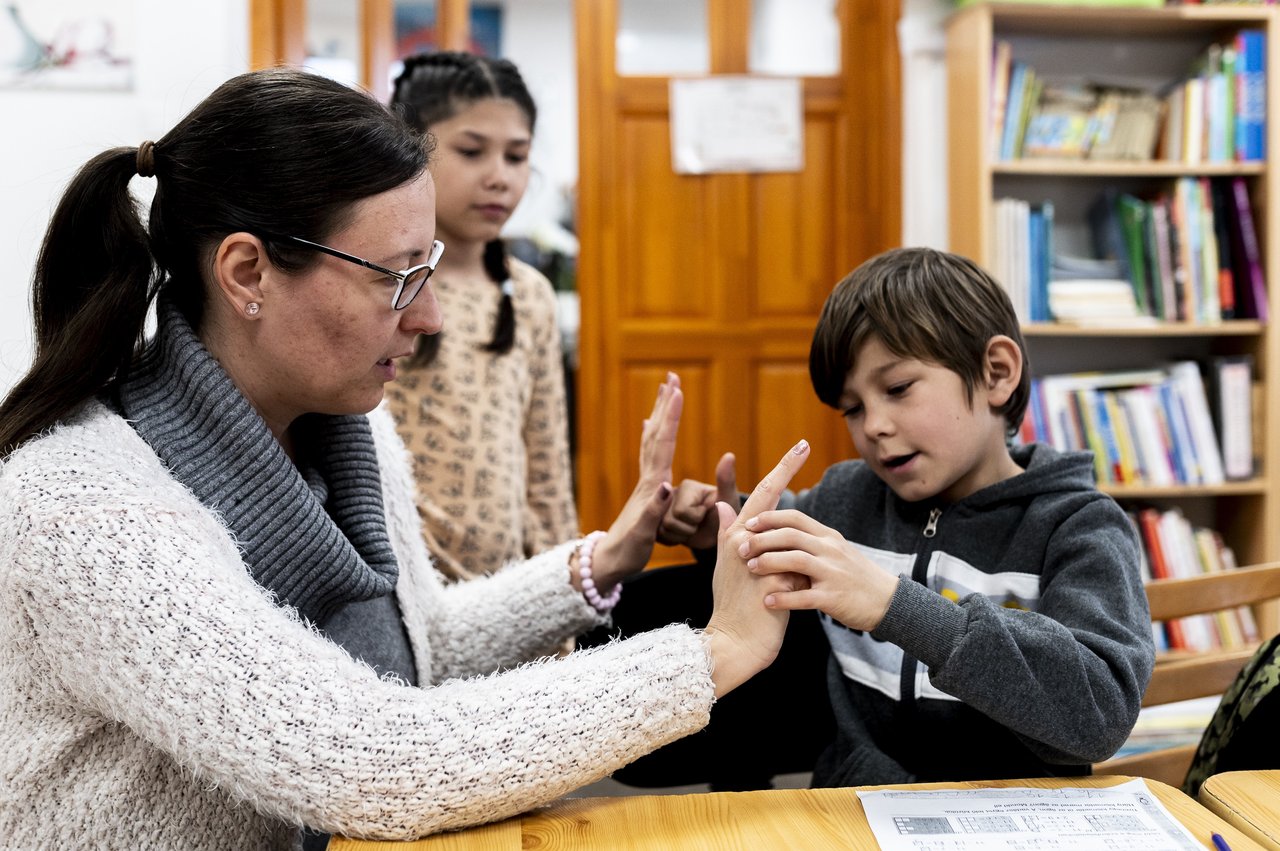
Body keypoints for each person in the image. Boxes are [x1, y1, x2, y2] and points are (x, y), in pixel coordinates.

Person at [0, 67, 810, 849]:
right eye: (397, 276)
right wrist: (715, 650)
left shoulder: (351, 431)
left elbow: (420, 647)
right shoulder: (84, 509)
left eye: (428, 268)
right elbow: (371, 754)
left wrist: (595, 563)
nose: (428, 317)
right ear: (248, 272)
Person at [662, 247, 1156, 786]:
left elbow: (1100, 715)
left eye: (897, 389)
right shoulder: (848, 497)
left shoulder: (1079, 526)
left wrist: (894, 606)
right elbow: (784, 544)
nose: (873, 425)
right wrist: (726, 532)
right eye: (853, 408)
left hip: (1008, 821)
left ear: (996, 372)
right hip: (850, 813)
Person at [383, 51, 576, 581]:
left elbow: (547, 466)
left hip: (513, 600)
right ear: (410, 148)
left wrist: (565, 588)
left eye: (516, 157)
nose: (499, 177)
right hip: (400, 590)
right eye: (472, 151)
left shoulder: (529, 294)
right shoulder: (380, 281)